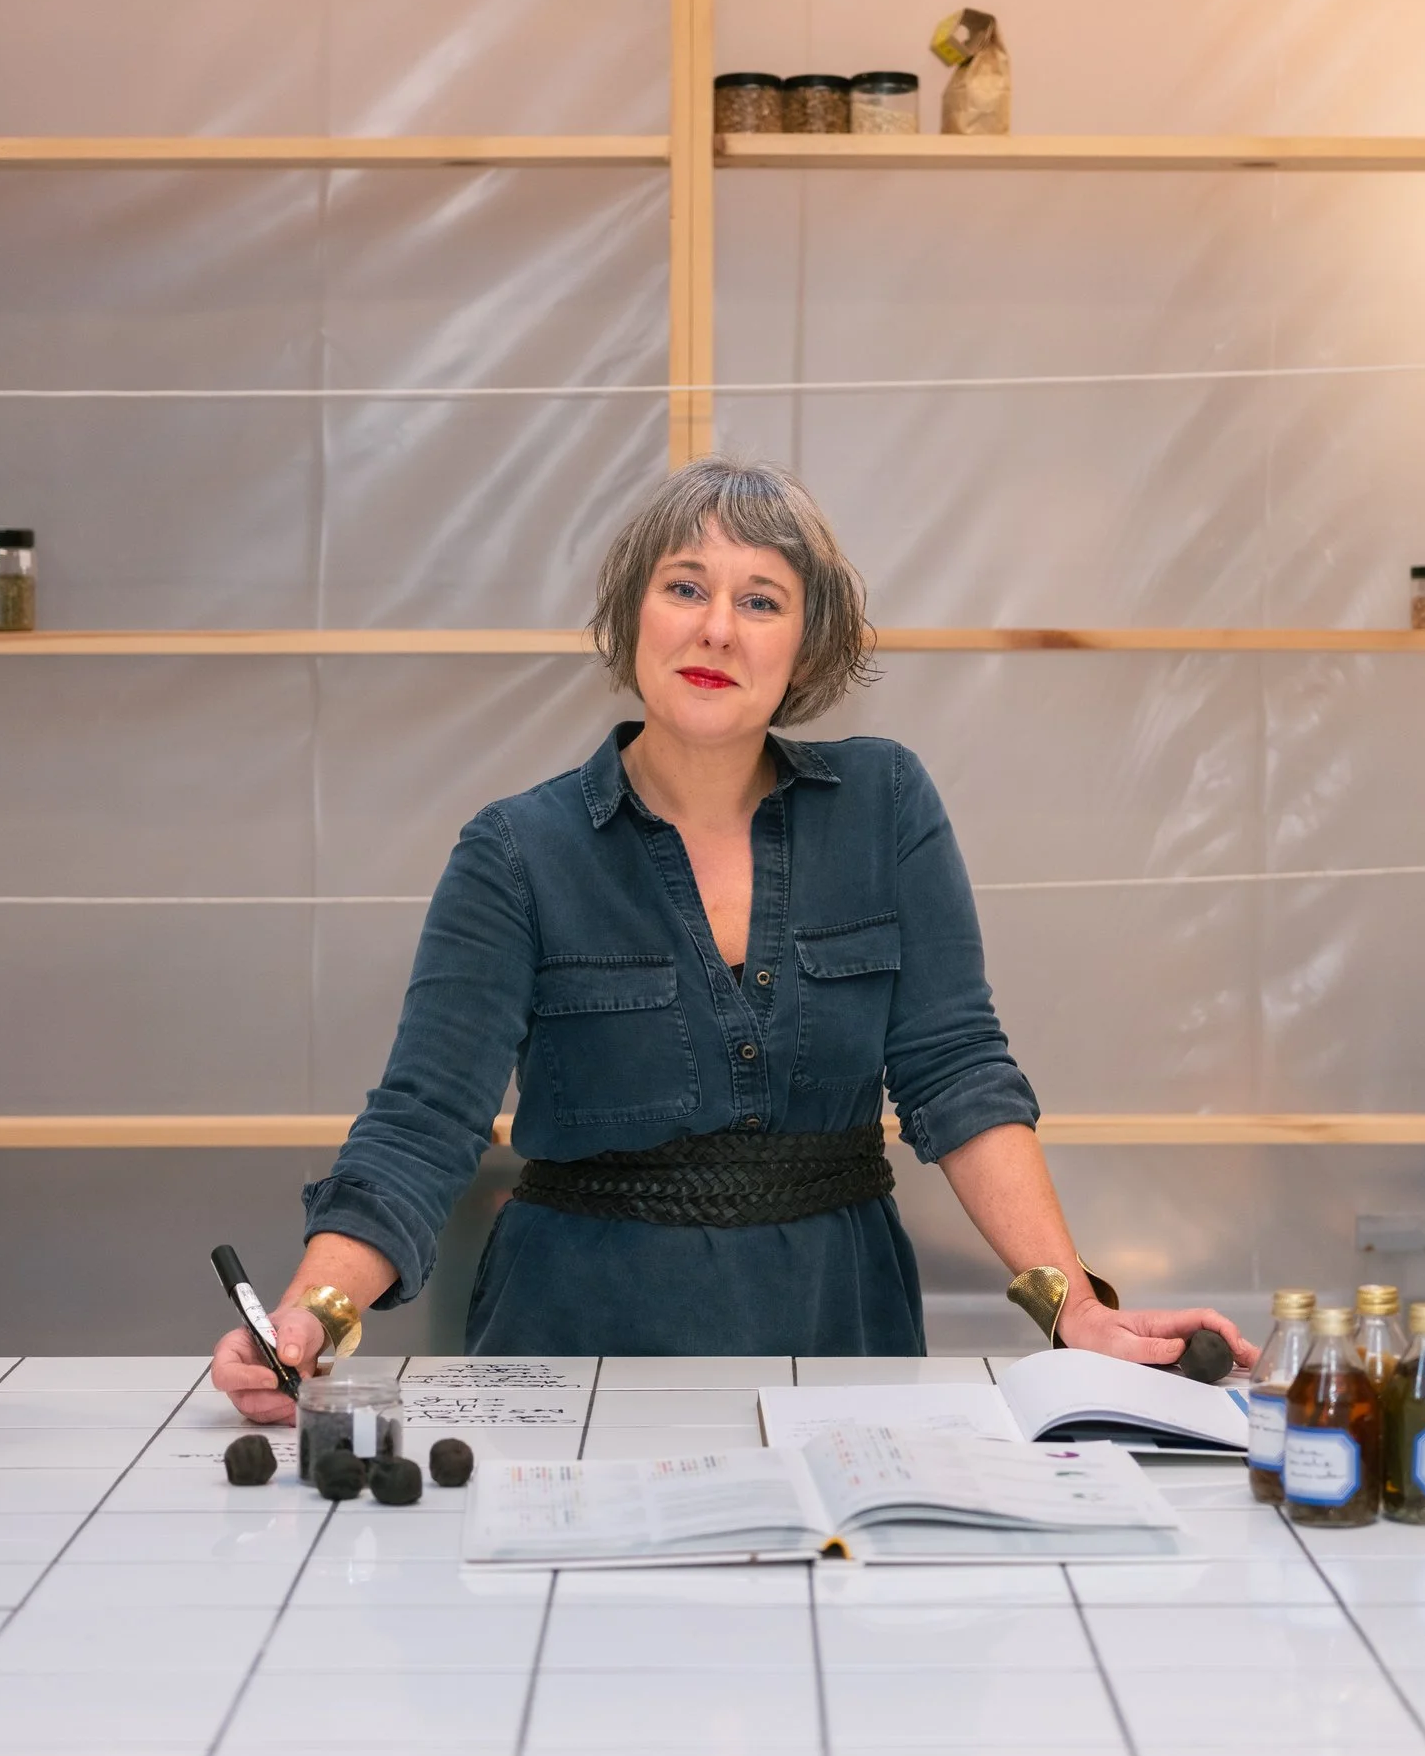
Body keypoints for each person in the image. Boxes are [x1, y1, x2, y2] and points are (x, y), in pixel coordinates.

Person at [215, 460, 1250, 1421]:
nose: (717, 628)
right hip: (572, 1337)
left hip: (839, 1327)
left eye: (761, 600)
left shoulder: (885, 805)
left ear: (805, 646)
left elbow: (958, 1070)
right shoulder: (516, 850)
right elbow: (423, 1121)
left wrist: (1072, 1307)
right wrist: (314, 1314)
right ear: (632, 616)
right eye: (684, 587)